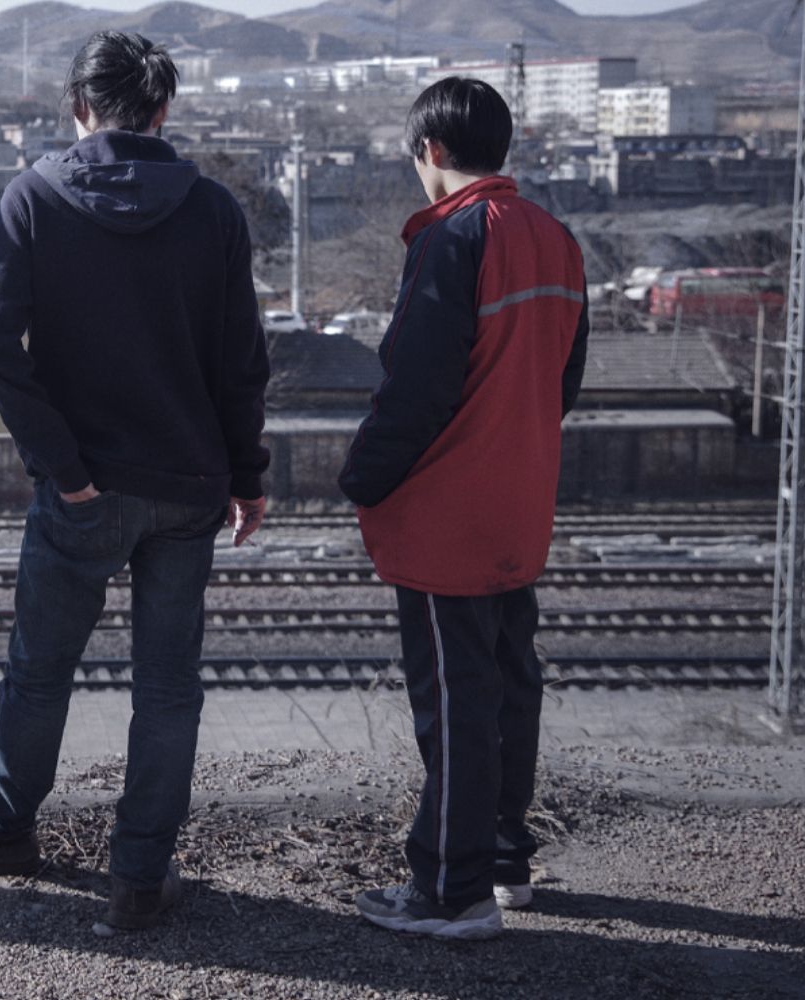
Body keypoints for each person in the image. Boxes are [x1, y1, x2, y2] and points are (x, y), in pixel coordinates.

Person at [0, 31, 270, 931]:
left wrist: (59, 465)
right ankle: (139, 876)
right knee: (169, 686)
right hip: (187, 486)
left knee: (40, 671)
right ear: (163, 110)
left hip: (83, 490)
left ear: (79, 109)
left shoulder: (36, 197)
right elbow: (242, 360)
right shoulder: (214, 210)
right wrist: (246, 474)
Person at [337, 77, 589, 941]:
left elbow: (417, 385)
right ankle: (505, 860)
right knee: (513, 680)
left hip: (449, 510)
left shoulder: (453, 237)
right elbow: (564, 380)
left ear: (431, 152)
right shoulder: (555, 237)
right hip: (521, 500)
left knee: (455, 701)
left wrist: (362, 478)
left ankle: (452, 890)